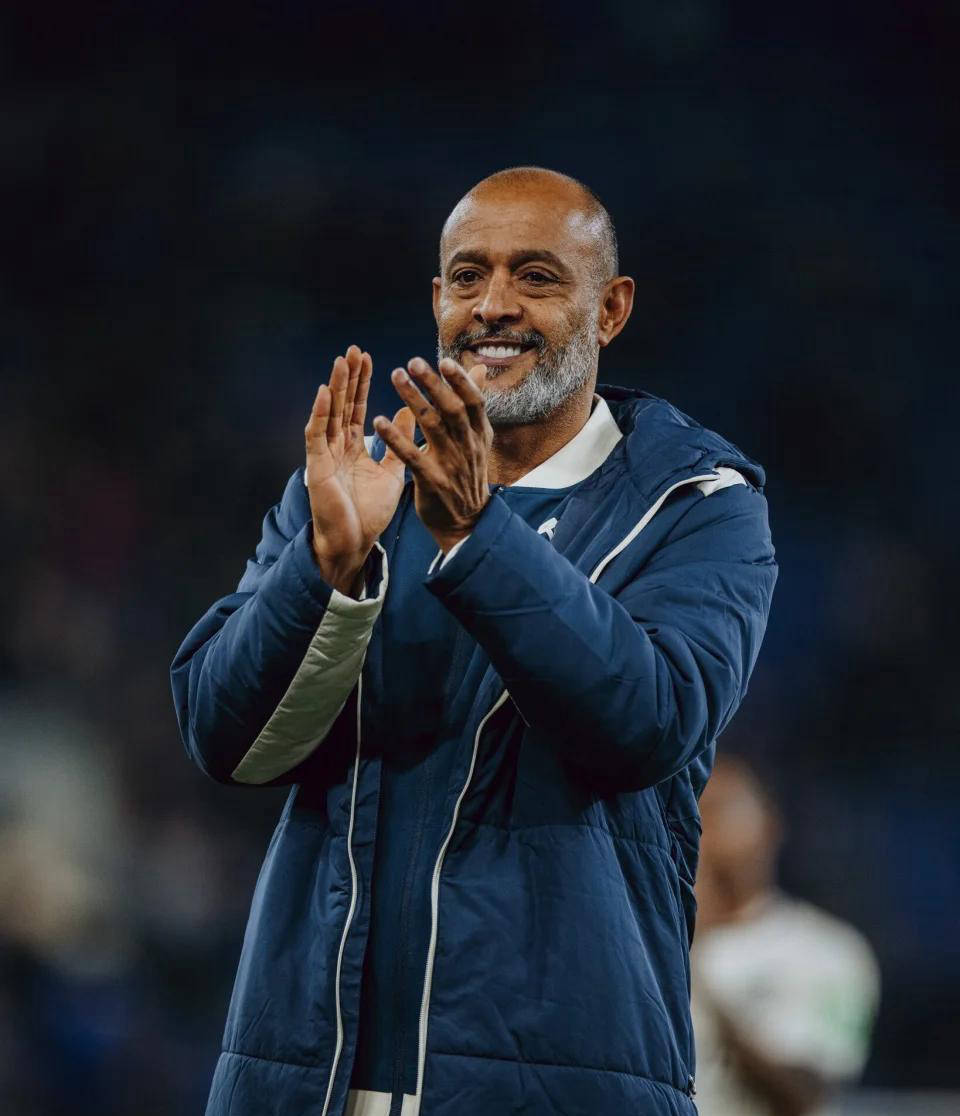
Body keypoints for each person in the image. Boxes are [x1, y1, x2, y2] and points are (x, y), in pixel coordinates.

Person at [171, 166, 778, 1116]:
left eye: (536, 276)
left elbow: (648, 724)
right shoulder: (356, 486)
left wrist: (476, 535)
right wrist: (324, 569)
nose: (494, 305)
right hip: (307, 1080)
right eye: (468, 276)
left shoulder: (697, 507)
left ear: (611, 308)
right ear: (437, 301)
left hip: (553, 1086)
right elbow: (225, 740)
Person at [691, 756, 880, 1116]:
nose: (703, 828)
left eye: (719, 810)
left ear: (769, 825)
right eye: (693, 811)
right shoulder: (646, 945)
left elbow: (803, 1093)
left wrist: (697, 965)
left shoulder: (826, 949)